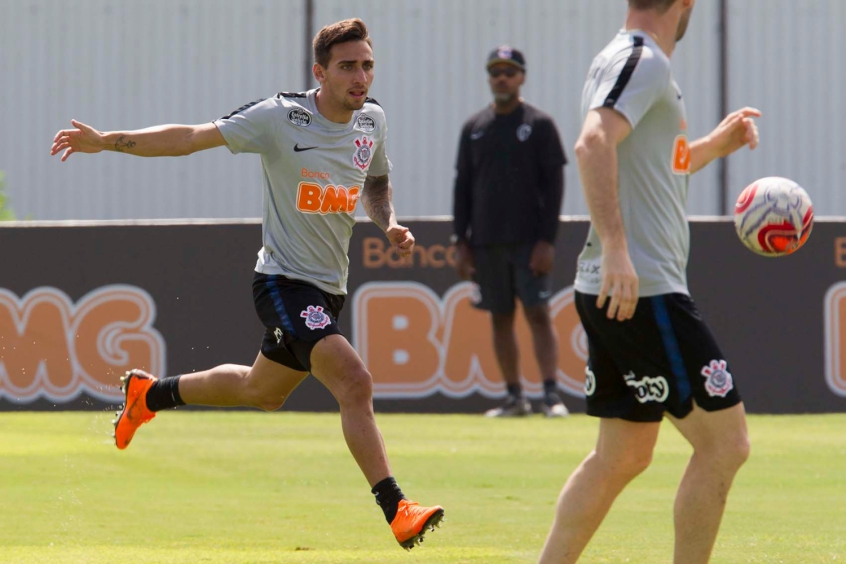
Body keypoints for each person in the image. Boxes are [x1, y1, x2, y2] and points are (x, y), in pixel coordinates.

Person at [49, 18, 444, 551]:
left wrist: (388, 221)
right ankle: (397, 508)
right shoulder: (280, 117)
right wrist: (108, 142)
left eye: (367, 65)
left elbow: (374, 182)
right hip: (283, 281)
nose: (360, 77)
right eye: (347, 66)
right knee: (355, 381)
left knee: (262, 392)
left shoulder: (372, 121)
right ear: (320, 73)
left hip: (328, 289)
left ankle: (149, 394)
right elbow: (190, 138)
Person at [538, 0, 759, 562]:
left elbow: (654, 165)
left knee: (623, 455)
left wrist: (714, 145)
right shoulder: (644, 59)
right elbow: (593, 143)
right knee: (725, 445)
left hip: (616, 287)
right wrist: (617, 248)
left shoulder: (623, 56)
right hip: (643, 289)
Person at [452, 46, 570, 419]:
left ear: (522, 77)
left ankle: (551, 395)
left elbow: (554, 187)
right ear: (489, 78)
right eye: (496, 71)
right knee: (499, 317)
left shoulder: (539, 124)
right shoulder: (474, 128)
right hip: (486, 242)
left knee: (537, 312)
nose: (502, 77)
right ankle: (514, 397)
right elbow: (463, 187)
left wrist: (547, 240)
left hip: (528, 240)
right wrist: (461, 241)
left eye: (510, 71)